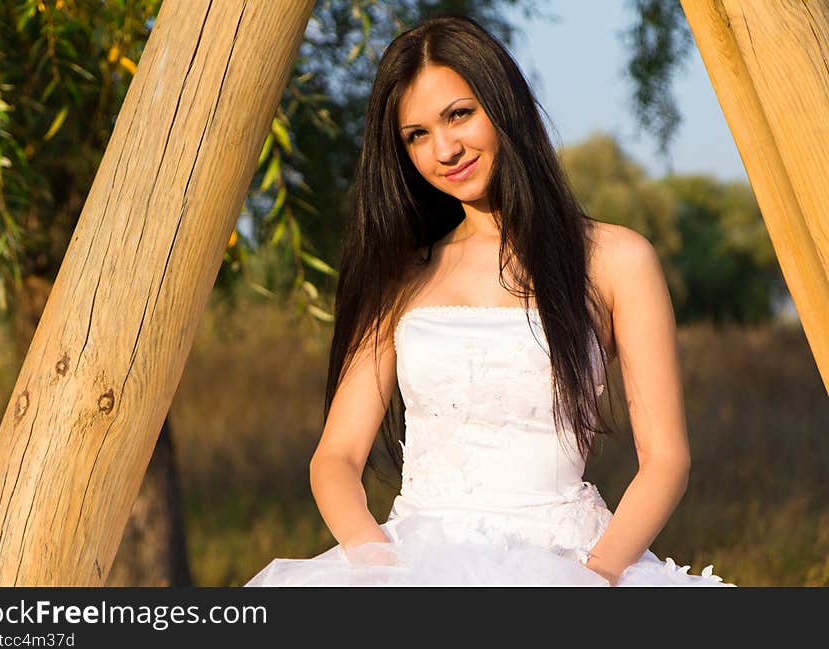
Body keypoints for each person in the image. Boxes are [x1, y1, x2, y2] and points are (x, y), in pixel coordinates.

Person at [244, 14, 734, 587]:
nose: (445, 149)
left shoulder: (617, 261)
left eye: (459, 115)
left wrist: (591, 577)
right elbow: (336, 460)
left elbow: (666, 460)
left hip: (567, 561)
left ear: (503, 107)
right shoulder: (400, 275)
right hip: (412, 563)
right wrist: (384, 571)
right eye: (417, 135)